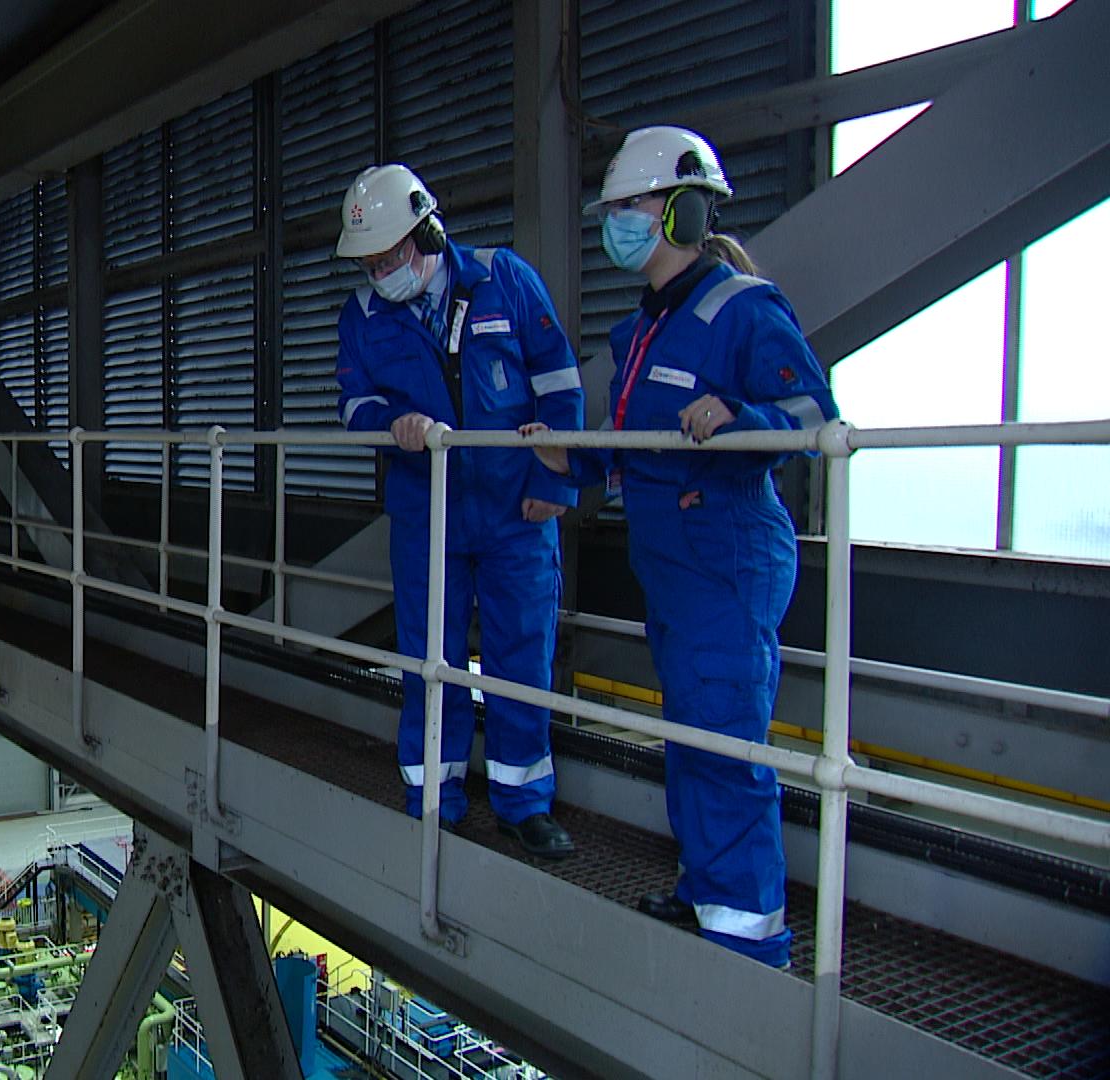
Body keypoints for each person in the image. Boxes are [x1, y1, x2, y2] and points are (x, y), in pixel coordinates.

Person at [522, 125, 838, 968]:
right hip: (672, 561)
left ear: (681, 212)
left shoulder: (742, 309)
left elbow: (817, 417)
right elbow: (639, 443)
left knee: (724, 735)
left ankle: (748, 941)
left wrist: (746, 420)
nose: (614, 225)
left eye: (628, 208)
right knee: (693, 729)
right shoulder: (643, 334)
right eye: (614, 211)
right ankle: (709, 891)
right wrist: (567, 452)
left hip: (725, 553)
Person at [333, 164, 582, 859]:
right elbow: (352, 402)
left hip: (517, 513)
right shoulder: (363, 317)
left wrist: (555, 485)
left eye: (389, 256)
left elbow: (559, 384)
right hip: (427, 510)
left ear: (427, 232)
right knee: (428, 658)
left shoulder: (505, 280)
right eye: (370, 262)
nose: (381, 271)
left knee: (519, 656)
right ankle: (433, 796)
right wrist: (393, 421)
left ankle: (523, 801)